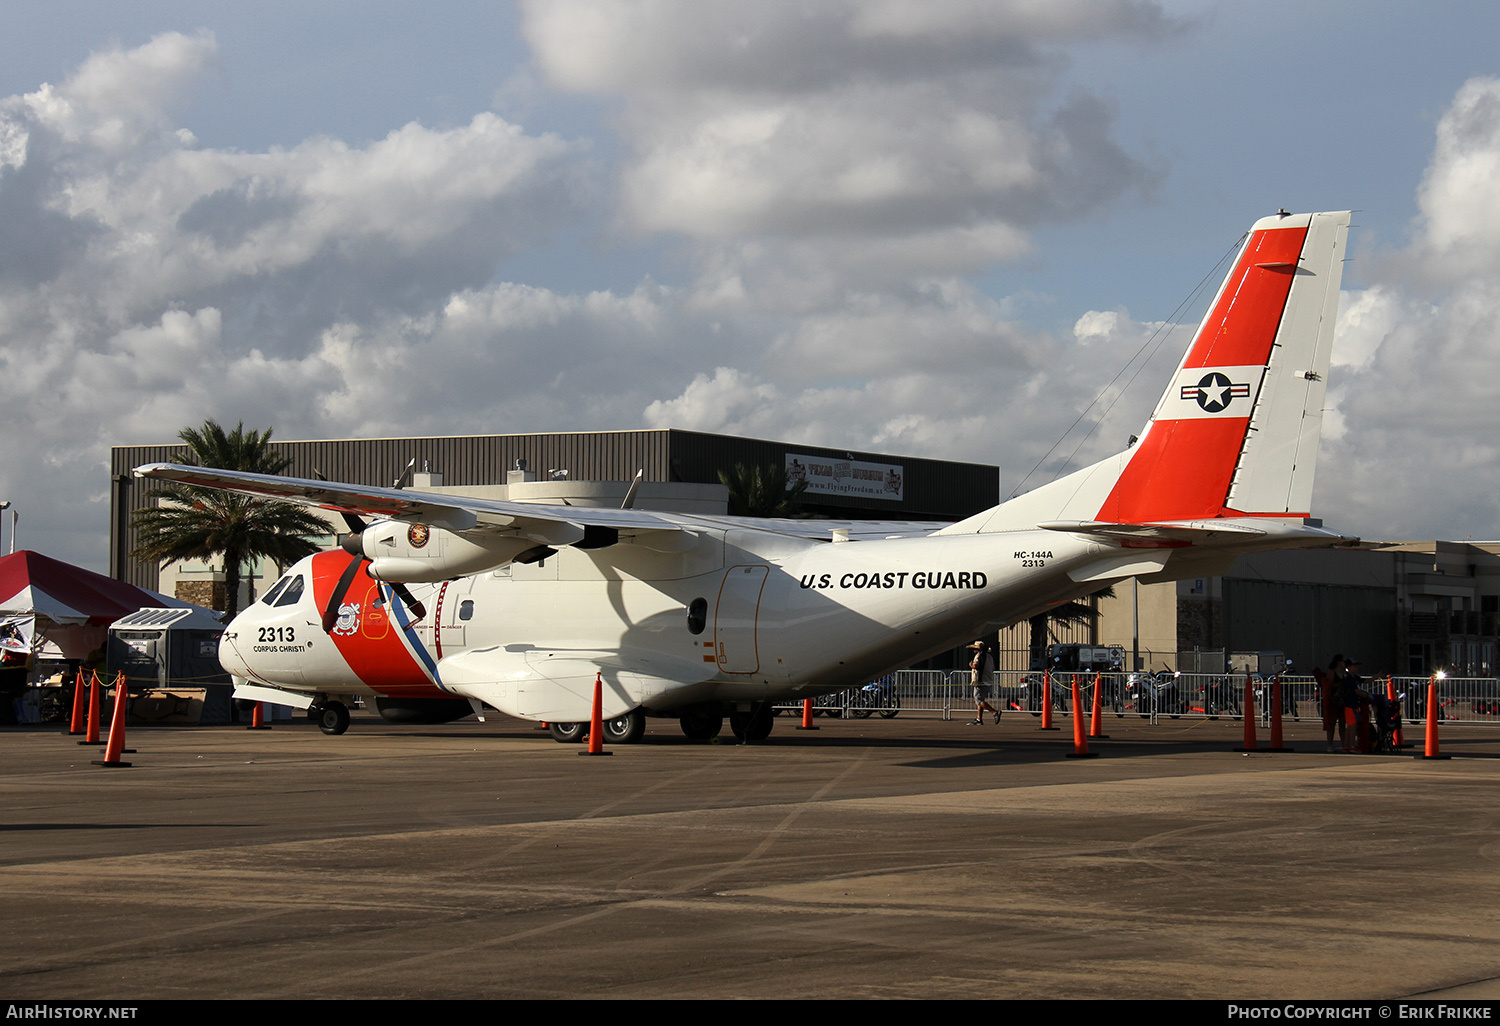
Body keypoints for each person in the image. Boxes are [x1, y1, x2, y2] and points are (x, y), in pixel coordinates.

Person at [968, 640, 1002, 725]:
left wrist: (971, 665)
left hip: (980, 681)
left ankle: (994, 712)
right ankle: (979, 719)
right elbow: (993, 668)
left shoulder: (979, 656)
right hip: (988, 680)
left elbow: (976, 666)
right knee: (981, 700)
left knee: (978, 700)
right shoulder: (989, 657)